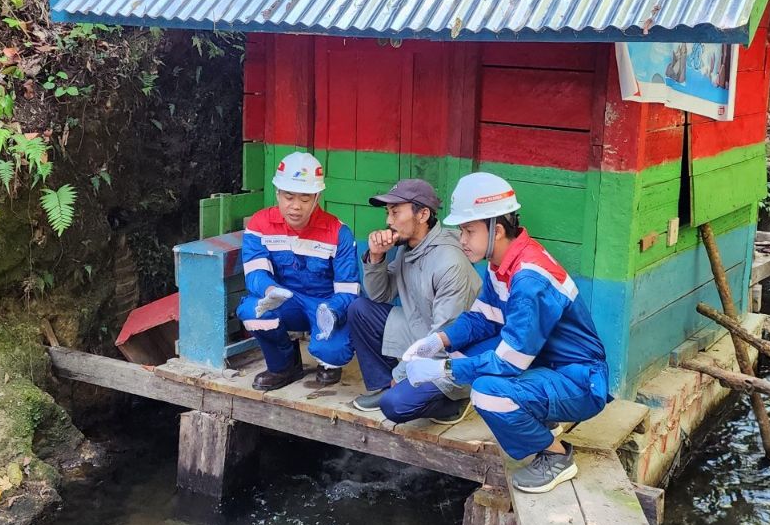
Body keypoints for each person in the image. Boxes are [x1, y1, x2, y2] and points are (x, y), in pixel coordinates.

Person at [401, 172, 609, 494]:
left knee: (487, 392)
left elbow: (508, 363)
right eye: (461, 231)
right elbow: (482, 319)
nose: (462, 239)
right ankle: (539, 417)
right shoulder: (504, 263)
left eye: (469, 231)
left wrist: (443, 368)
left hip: (579, 380)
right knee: (468, 357)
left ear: (496, 230)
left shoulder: (528, 280)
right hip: (548, 365)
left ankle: (556, 456)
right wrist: (437, 341)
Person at [347, 179, 481, 424]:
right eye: (388, 213)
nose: (389, 221)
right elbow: (380, 295)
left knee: (396, 406)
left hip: (453, 349)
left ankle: (454, 401)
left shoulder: (449, 262)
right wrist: (376, 257)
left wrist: (401, 373)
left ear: (423, 214)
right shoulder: (408, 245)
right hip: (422, 328)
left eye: (396, 212)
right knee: (360, 310)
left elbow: (445, 335)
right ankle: (384, 386)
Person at [236, 152, 360, 391]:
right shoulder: (259, 225)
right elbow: (254, 273)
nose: (295, 206)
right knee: (253, 312)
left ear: (317, 197)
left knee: (332, 352)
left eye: (305, 198)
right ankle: (283, 366)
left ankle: (328, 362)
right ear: (277, 194)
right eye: (288, 196)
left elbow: (349, 289)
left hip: (325, 306)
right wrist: (270, 289)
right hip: (285, 300)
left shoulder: (339, 232)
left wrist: (332, 311)